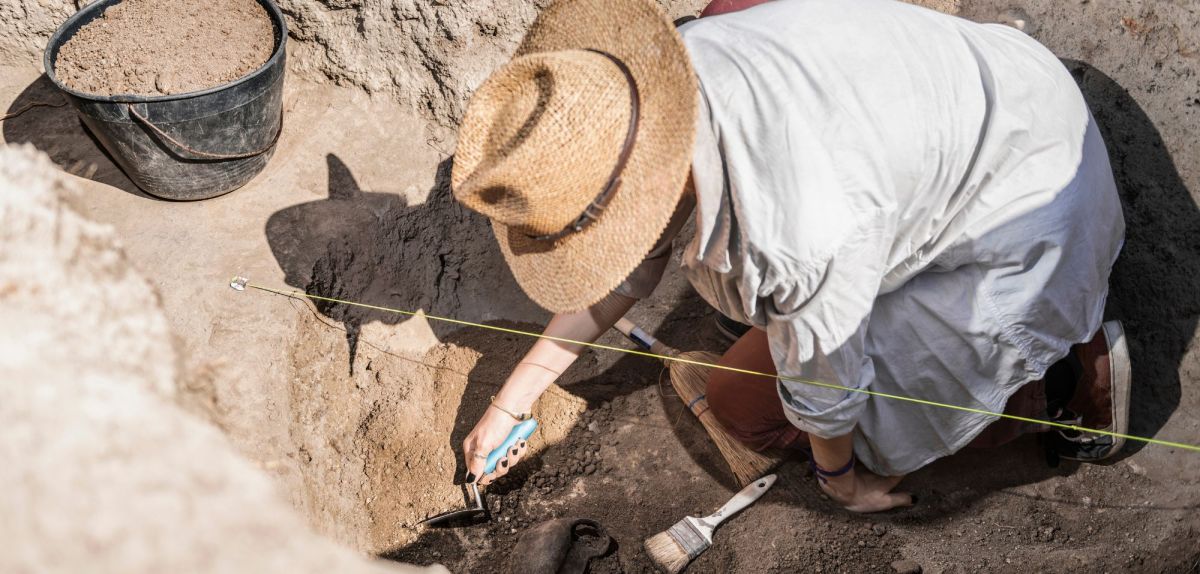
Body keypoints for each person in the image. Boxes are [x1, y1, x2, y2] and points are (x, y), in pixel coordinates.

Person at [450, 0, 1129, 513]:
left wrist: (846, 482)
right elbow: (623, 273)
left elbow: (826, 390)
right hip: (989, 98)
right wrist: (511, 403)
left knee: (749, 410)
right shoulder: (679, 67)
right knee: (756, 340)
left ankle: (1069, 373)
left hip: (1030, 215)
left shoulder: (795, 234)